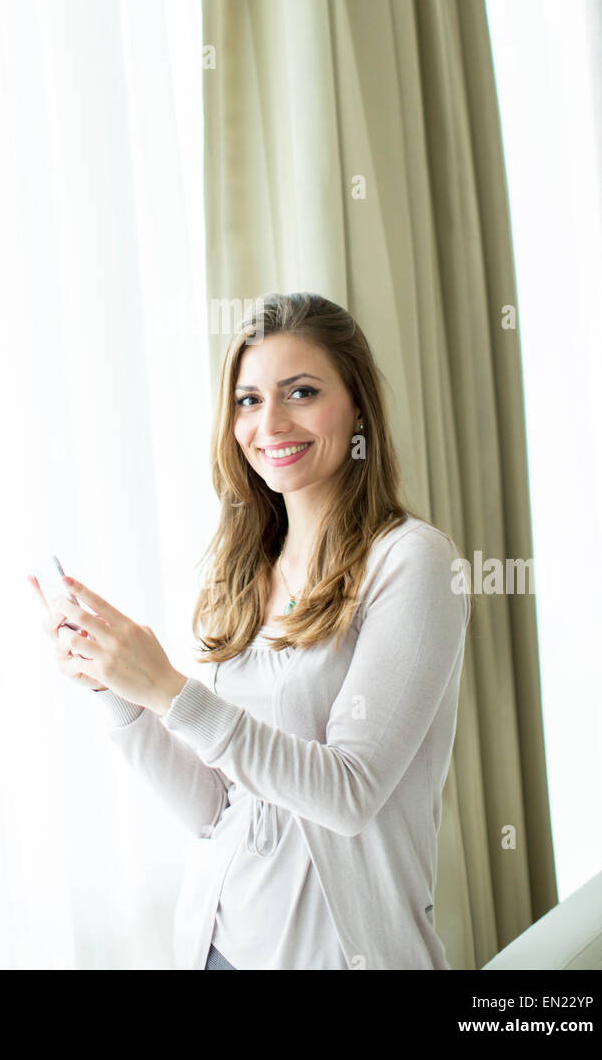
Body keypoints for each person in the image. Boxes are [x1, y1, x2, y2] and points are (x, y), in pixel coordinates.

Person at [32, 291, 472, 969]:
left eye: (301, 392)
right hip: (218, 950)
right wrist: (117, 688)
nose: (271, 421)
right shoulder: (244, 571)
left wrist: (172, 692)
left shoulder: (412, 562)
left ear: (357, 407)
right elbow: (218, 809)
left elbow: (350, 792)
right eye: (248, 399)